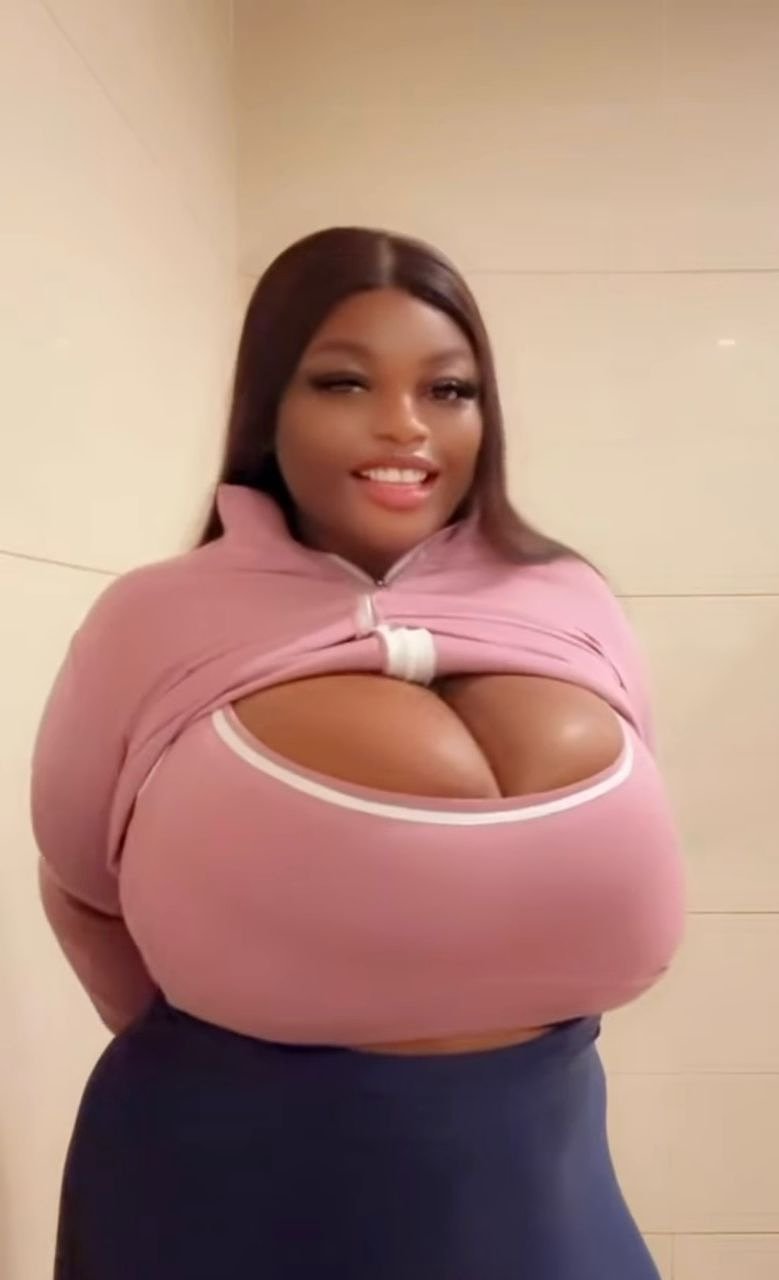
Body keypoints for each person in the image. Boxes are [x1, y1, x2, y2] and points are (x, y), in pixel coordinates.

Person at [31, 226, 685, 1280]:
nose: (404, 426)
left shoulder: (574, 599)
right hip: (231, 1179)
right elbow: (80, 884)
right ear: (269, 407)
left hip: (541, 1172)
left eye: (448, 389)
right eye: (344, 382)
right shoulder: (152, 618)